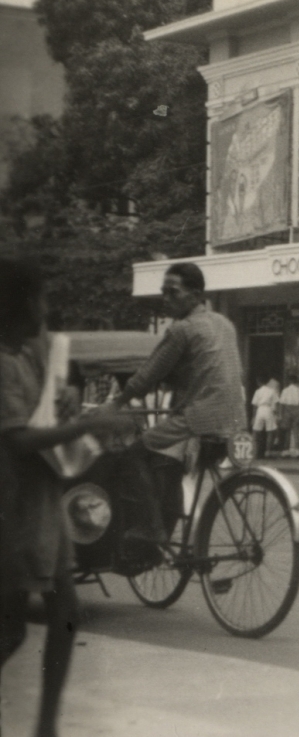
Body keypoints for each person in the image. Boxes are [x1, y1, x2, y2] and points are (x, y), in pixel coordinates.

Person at [1, 258, 134, 737]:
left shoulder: (32, 355)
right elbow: (17, 440)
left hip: (42, 504)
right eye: (38, 297)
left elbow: (46, 410)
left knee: (64, 614)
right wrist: (88, 424)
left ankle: (46, 727)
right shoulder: (4, 362)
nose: (45, 306)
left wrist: (68, 406)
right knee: (13, 627)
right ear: (20, 304)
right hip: (12, 507)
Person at [94, 262, 244, 543]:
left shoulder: (182, 330)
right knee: (168, 458)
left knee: (133, 453)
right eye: (163, 292)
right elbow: (207, 368)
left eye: (172, 292)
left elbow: (147, 376)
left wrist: (117, 404)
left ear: (196, 295)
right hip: (235, 417)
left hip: (200, 417)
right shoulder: (224, 324)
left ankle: (151, 527)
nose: (166, 299)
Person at [277, 375, 299, 458]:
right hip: (297, 410)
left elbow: (282, 403)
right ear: (296, 381)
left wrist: (280, 415)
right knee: (296, 431)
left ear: (289, 381)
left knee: (287, 431)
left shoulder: (285, 390)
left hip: (287, 410)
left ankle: (286, 451)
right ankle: (297, 451)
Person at [250, 375, 279, 458]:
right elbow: (276, 403)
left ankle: (255, 452)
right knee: (270, 431)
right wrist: (275, 414)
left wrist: (253, 417)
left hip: (260, 409)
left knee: (256, 431)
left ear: (258, 382)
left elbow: (254, 405)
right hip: (268, 409)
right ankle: (268, 452)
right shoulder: (272, 391)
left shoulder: (258, 391)